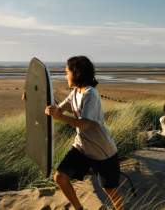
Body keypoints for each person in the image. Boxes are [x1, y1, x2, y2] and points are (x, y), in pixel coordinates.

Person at [45, 56, 124, 210]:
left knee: (108, 189)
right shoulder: (75, 93)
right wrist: (35, 100)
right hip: (82, 147)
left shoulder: (90, 94)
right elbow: (57, 109)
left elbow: (85, 123)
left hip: (102, 151)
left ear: (77, 73)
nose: (65, 75)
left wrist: (60, 117)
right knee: (60, 177)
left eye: (67, 72)